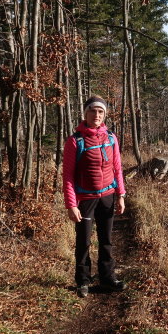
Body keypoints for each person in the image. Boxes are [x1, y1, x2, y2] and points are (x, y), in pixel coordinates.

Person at [63, 96, 127, 298]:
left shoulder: (111, 138)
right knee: (84, 241)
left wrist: (121, 195)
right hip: (85, 198)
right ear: (85, 113)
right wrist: (71, 205)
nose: (96, 115)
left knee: (106, 240)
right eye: (93, 111)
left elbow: (117, 167)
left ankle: (107, 278)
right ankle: (83, 281)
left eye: (100, 112)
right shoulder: (75, 141)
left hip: (107, 195)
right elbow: (68, 176)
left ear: (104, 115)